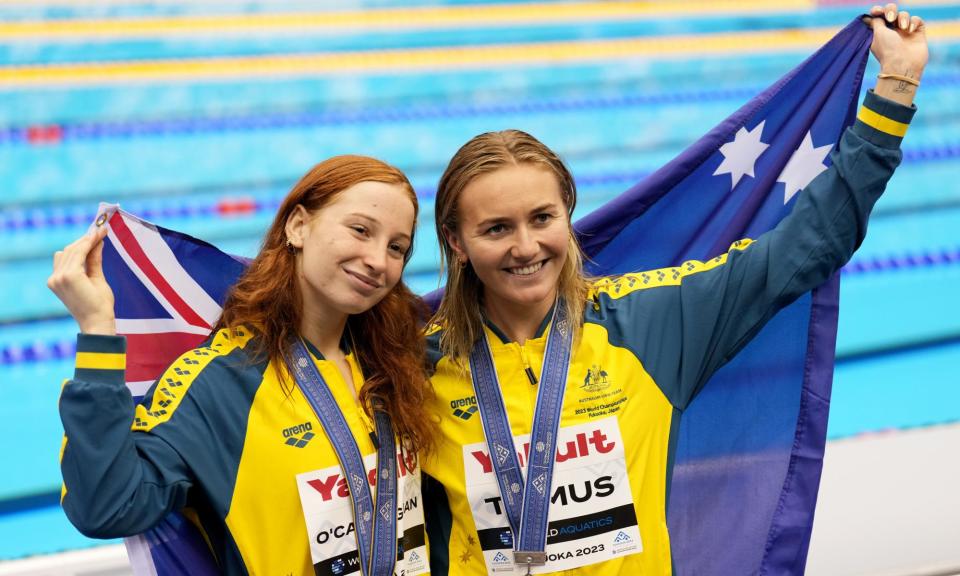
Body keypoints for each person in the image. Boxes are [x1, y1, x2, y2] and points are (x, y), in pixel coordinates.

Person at [420, 5, 927, 575]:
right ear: (456, 243)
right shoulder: (415, 365)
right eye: (496, 229)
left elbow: (803, 250)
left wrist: (897, 84)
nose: (526, 246)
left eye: (542, 218)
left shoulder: (650, 324)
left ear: (568, 216)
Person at [48, 155, 435, 575]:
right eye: (360, 230)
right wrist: (98, 332)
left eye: (397, 247)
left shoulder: (394, 364)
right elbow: (106, 506)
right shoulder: (218, 381)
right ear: (298, 226)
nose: (379, 260)